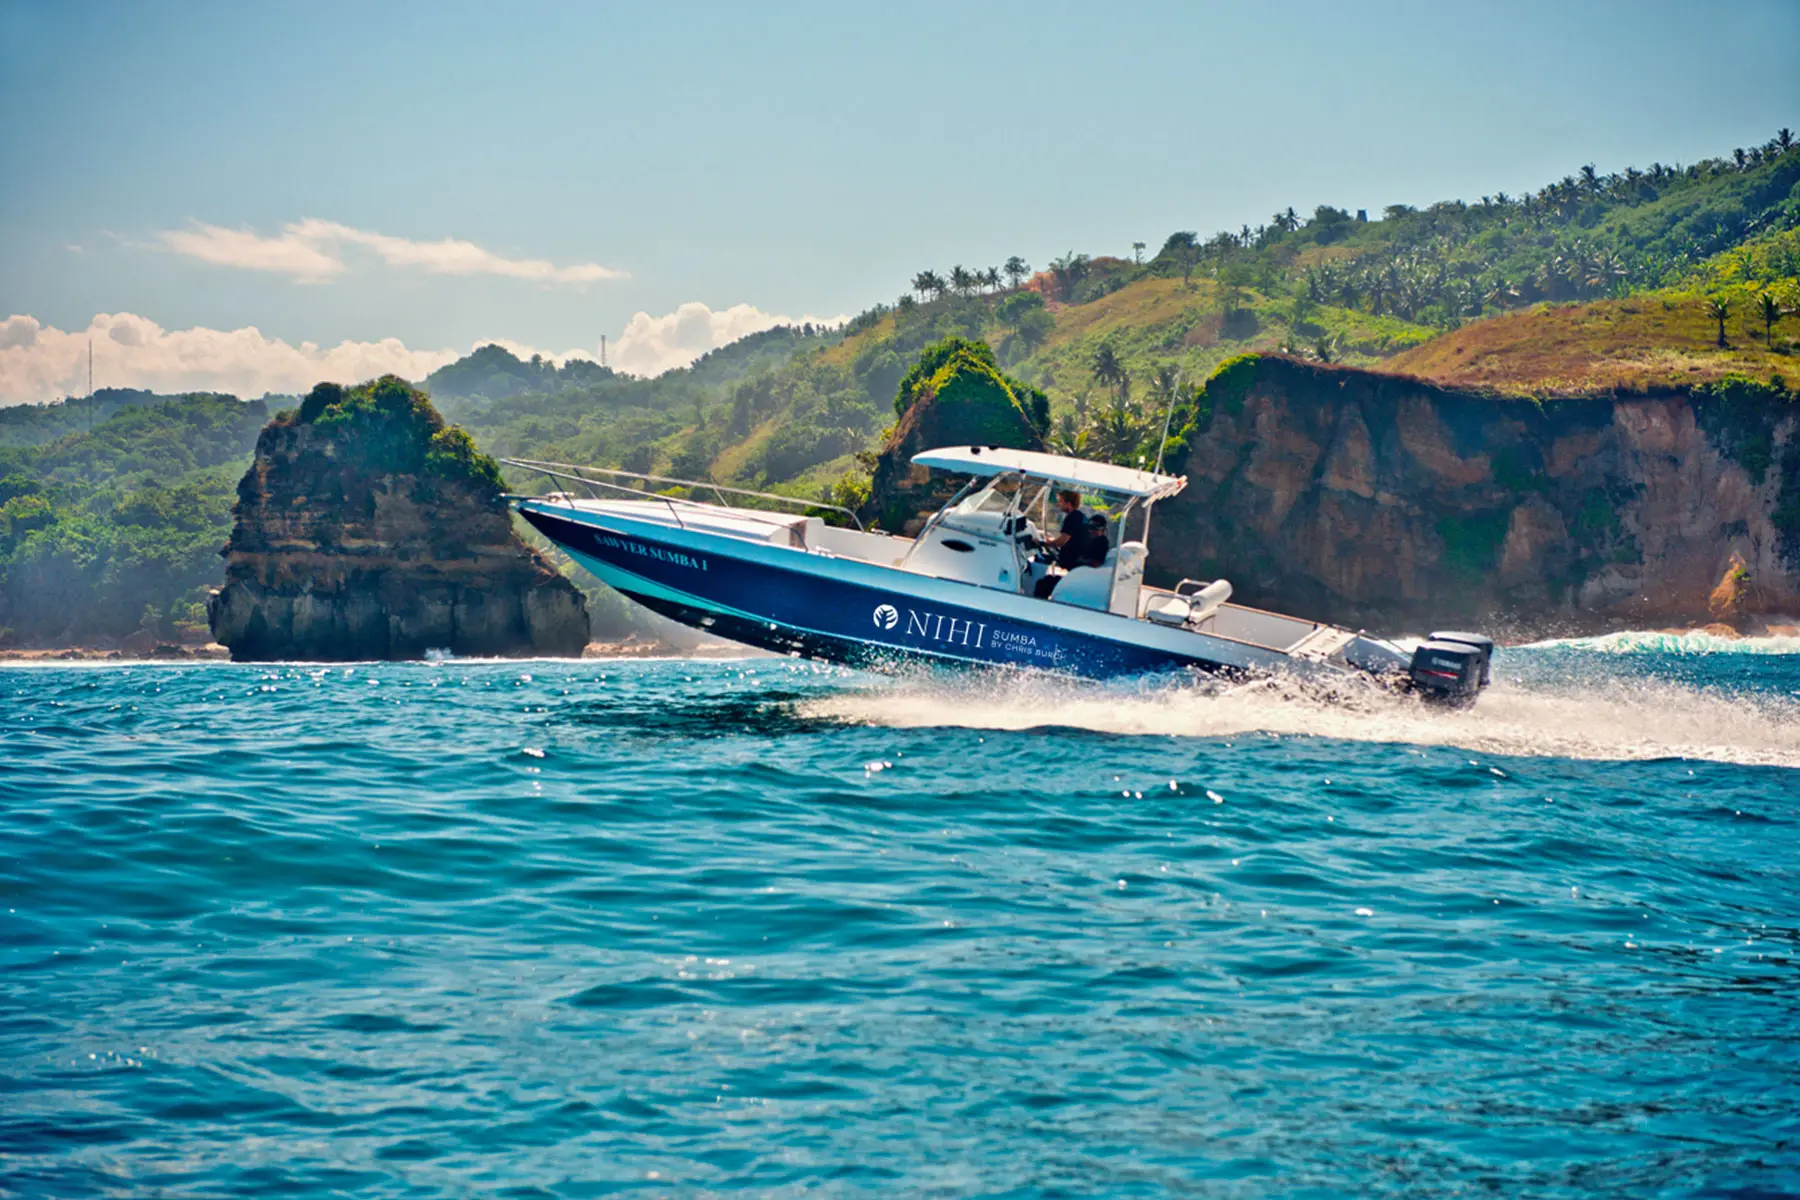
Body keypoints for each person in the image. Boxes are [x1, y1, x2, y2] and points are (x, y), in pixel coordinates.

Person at [1033, 490, 1086, 598]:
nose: (1059, 504)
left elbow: (1063, 541)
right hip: (1077, 562)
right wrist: (1052, 542)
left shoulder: (1072, 517)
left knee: (1041, 585)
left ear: (1068, 503)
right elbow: (1069, 538)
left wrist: (1046, 544)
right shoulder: (1079, 516)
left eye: (1061, 501)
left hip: (1074, 563)